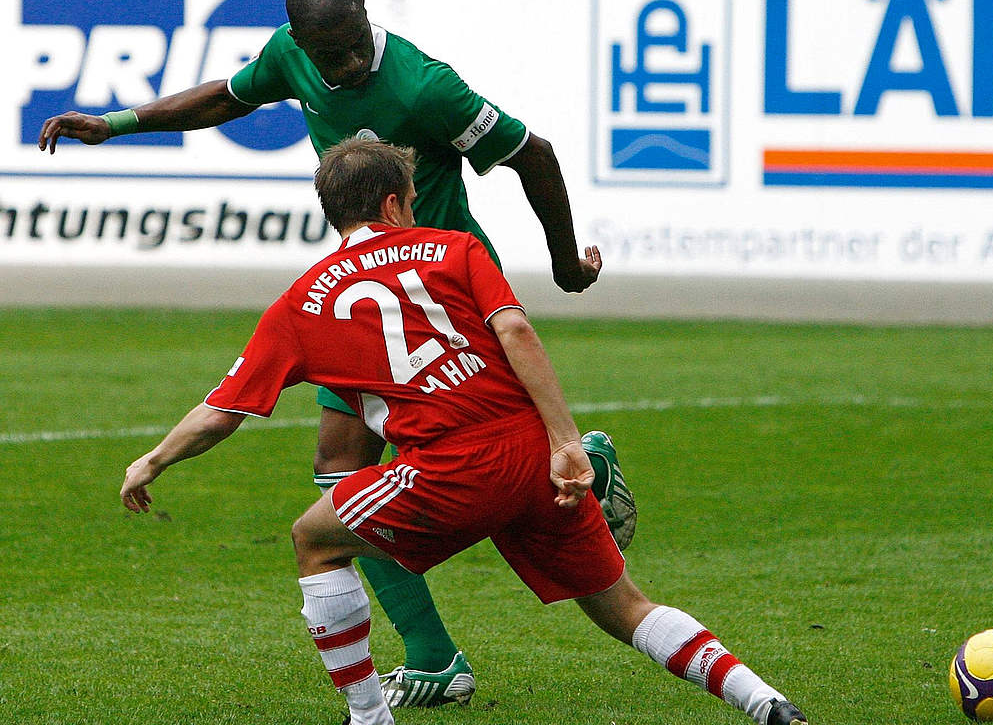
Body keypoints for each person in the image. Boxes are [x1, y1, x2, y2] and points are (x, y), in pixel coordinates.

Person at [39, 0, 637, 706]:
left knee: (447, 464)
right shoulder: (290, 53)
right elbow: (228, 96)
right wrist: (121, 123)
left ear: (364, 13)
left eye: (354, 48)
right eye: (331, 58)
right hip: (363, 297)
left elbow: (532, 153)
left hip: (443, 297)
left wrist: (563, 264)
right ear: (301, 43)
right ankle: (436, 656)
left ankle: (573, 470)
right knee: (339, 468)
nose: (347, 66)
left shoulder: (425, 85)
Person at [119, 138, 808, 725]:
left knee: (314, 539)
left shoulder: (302, 301)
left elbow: (223, 411)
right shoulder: (456, 249)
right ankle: (766, 701)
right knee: (625, 606)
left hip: (450, 468)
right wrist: (566, 442)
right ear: (394, 203)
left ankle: (369, 717)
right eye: (412, 198)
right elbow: (515, 329)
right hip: (534, 453)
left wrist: (152, 460)